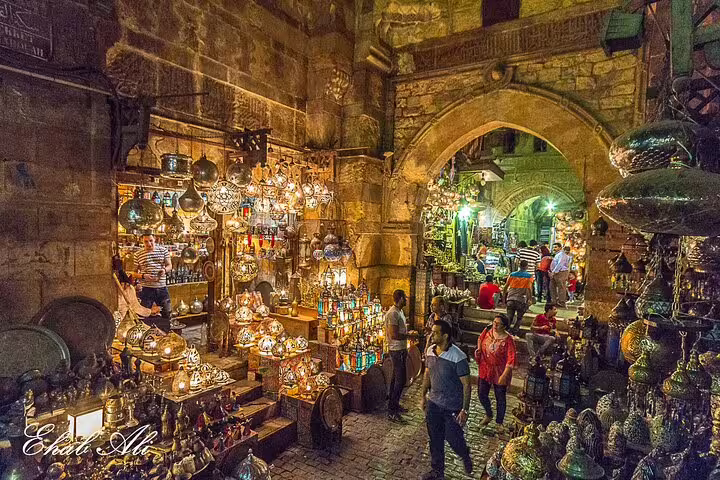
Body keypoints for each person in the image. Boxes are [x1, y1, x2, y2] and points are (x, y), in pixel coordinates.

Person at [420, 319, 473, 479]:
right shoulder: (430, 351)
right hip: (434, 403)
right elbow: (427, 374)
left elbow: (467, 385)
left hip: (452, 406)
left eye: (435, 332)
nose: (432, 335)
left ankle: (464, 454)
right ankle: (437, 472)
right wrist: (423, 395)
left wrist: (464, 409)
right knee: (435, 440)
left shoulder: (458, 357)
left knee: (453, 438)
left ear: (445, 336)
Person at [474, 313, 516, 434]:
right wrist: (479, 350)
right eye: (494, 323)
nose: (495, 325)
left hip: (500, 370)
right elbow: (480, 339)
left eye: (498, 324)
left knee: (500, 397)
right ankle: (488, 413)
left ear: (504, 326)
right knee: (482, 393)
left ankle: (499, 422)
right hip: (485, 368)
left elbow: (511, 358)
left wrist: (505, 375)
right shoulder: (487, 331)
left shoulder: (508, 340)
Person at [385, 289, 415, 421]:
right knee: (400, 379)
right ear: (401, 298)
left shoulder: (400, 312)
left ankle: (394, 404)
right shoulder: (392, 314)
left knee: (395, 379)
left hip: (401, 348)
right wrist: (409, 336)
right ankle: (392, 410)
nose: (407, 300)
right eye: (405, 298)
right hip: (396, 349)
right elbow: (394, 334)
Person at [133, 232, 173, 321]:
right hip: (146, 289)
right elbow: (133, 273)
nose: (149, 244)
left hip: (161, 288)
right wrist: (143, 276)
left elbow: (170, 265)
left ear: (155, 239)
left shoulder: (163, 251)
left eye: (151, 241)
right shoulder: (138, 254)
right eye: (146, 242)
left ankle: (167, 333)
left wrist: (164, 270)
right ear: (142, 242)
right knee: (143, 316)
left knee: (167, 314)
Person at [503, 260, 534, 336]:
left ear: (519, 266)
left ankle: (506, 331)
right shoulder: (529, 276)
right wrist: (530, 299)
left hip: (510, 298)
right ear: (526, 266)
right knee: (519, 318)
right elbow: (529, 289)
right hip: (521, 300)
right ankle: (514, 332)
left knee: (509, 317)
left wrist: (504, 298)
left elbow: (505, 287)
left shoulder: (512, 274)